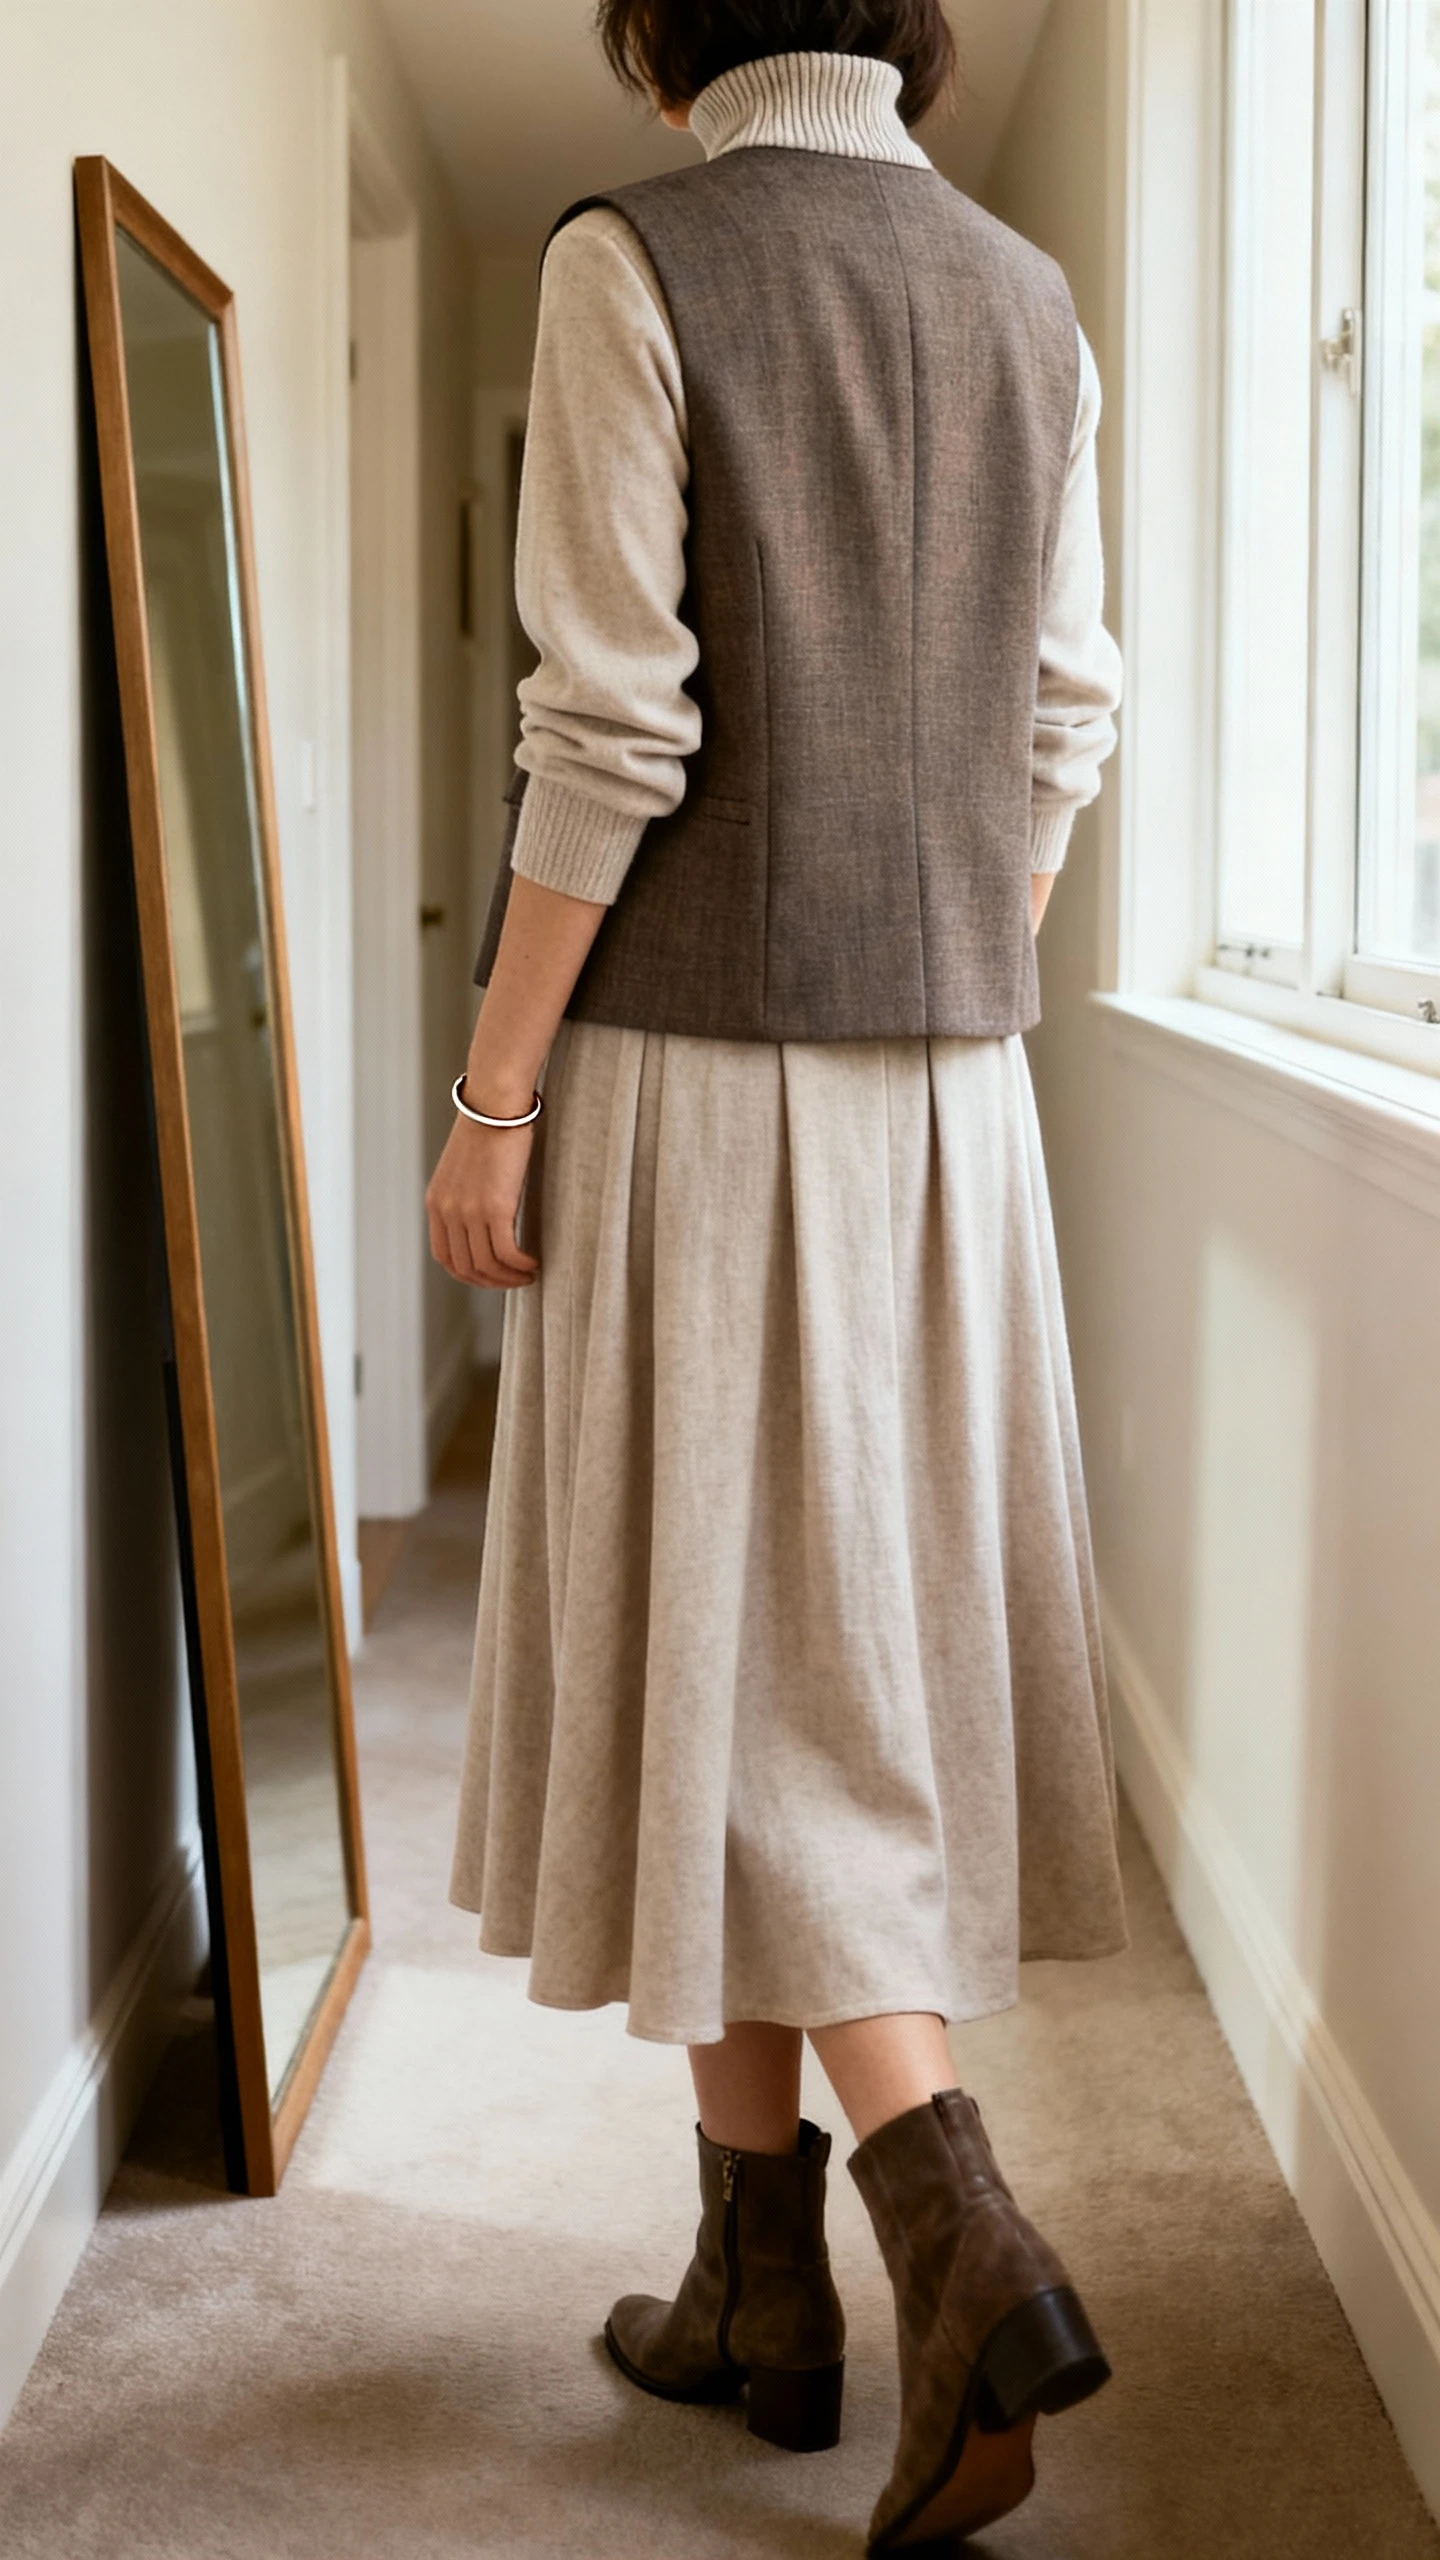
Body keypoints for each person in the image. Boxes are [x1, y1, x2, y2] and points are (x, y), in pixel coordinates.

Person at [427, 1, 1127, 2544]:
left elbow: (609, 728)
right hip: (954, 1097)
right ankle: (756, 2283)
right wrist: (936, 942)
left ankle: (954, 2226)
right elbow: (1065, 719)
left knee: (750, 1667)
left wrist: (494, 1089)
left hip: (700, 1084)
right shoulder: (1029, 299)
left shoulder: (633, 261)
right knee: (795, 1655)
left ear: (661, 24)